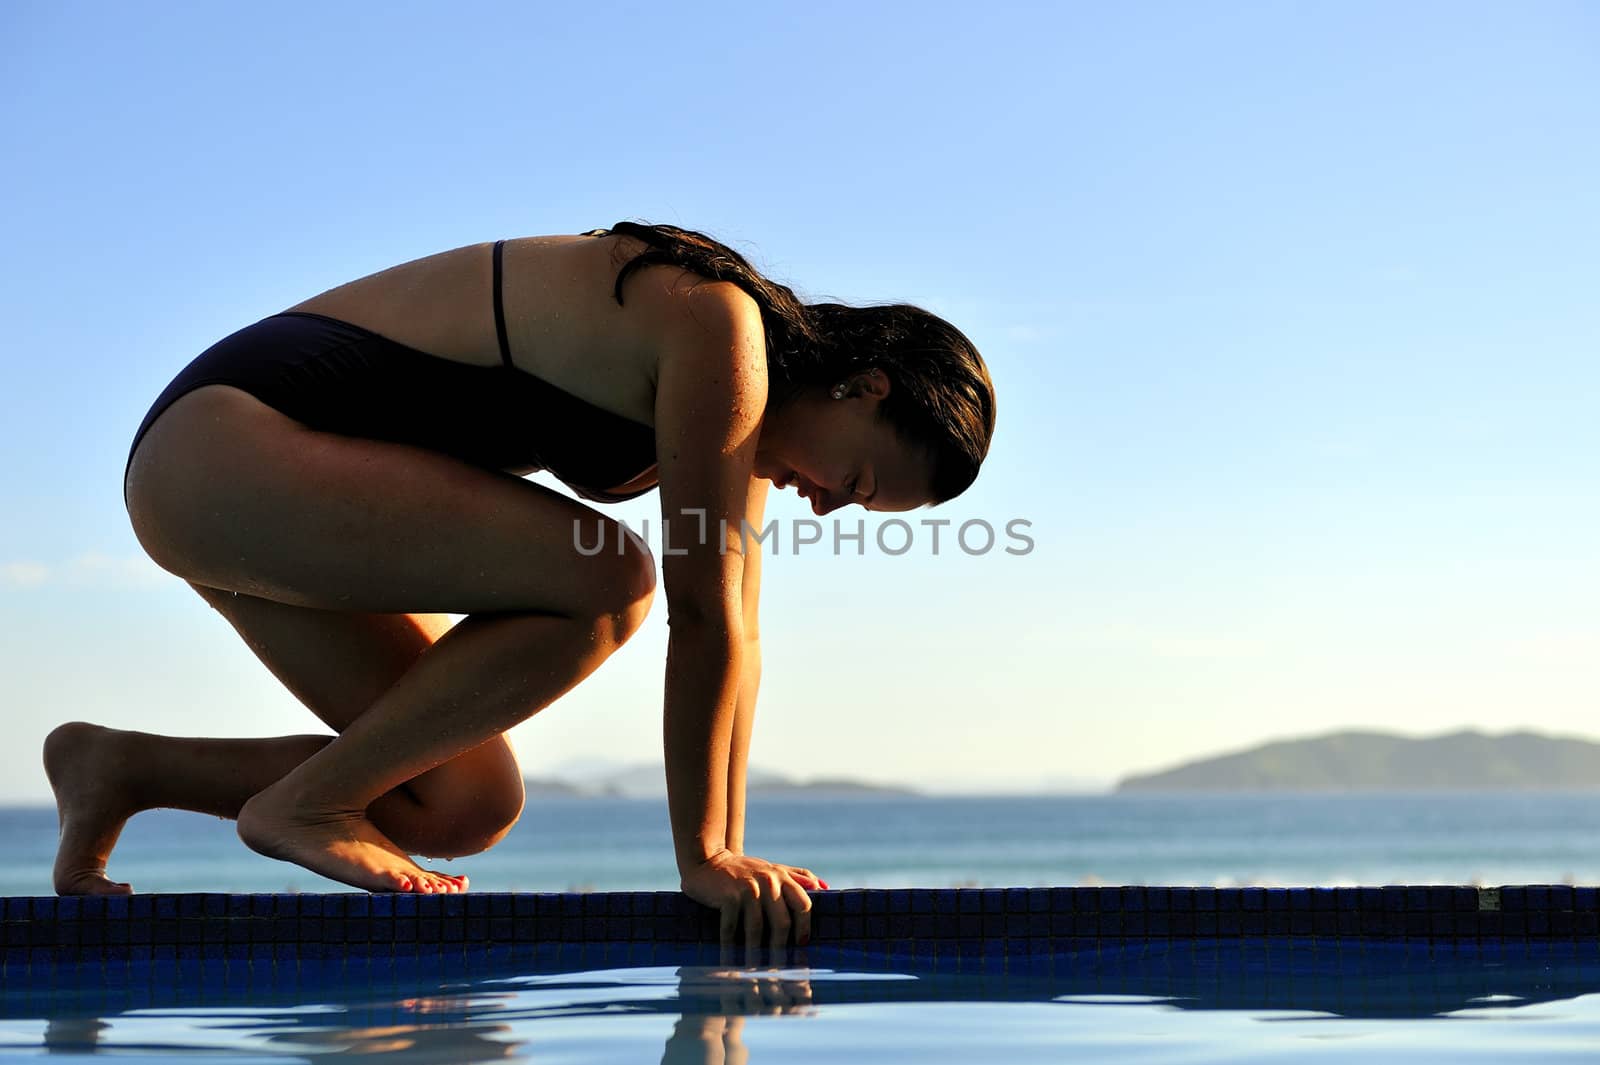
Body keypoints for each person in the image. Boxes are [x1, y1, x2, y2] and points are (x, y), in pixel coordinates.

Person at [45, 222, 996, 951]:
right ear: (864, 387)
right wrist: (702, 857)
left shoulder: (743, 430)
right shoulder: (722, 327)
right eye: (859, 483)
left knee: (459, 803)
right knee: (610, 578)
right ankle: (305, 806)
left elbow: (736, 639)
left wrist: (726, 855)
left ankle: (122, 768)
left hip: (256, 494)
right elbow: (693, 613)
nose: (828, 508)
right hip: (226, 450)